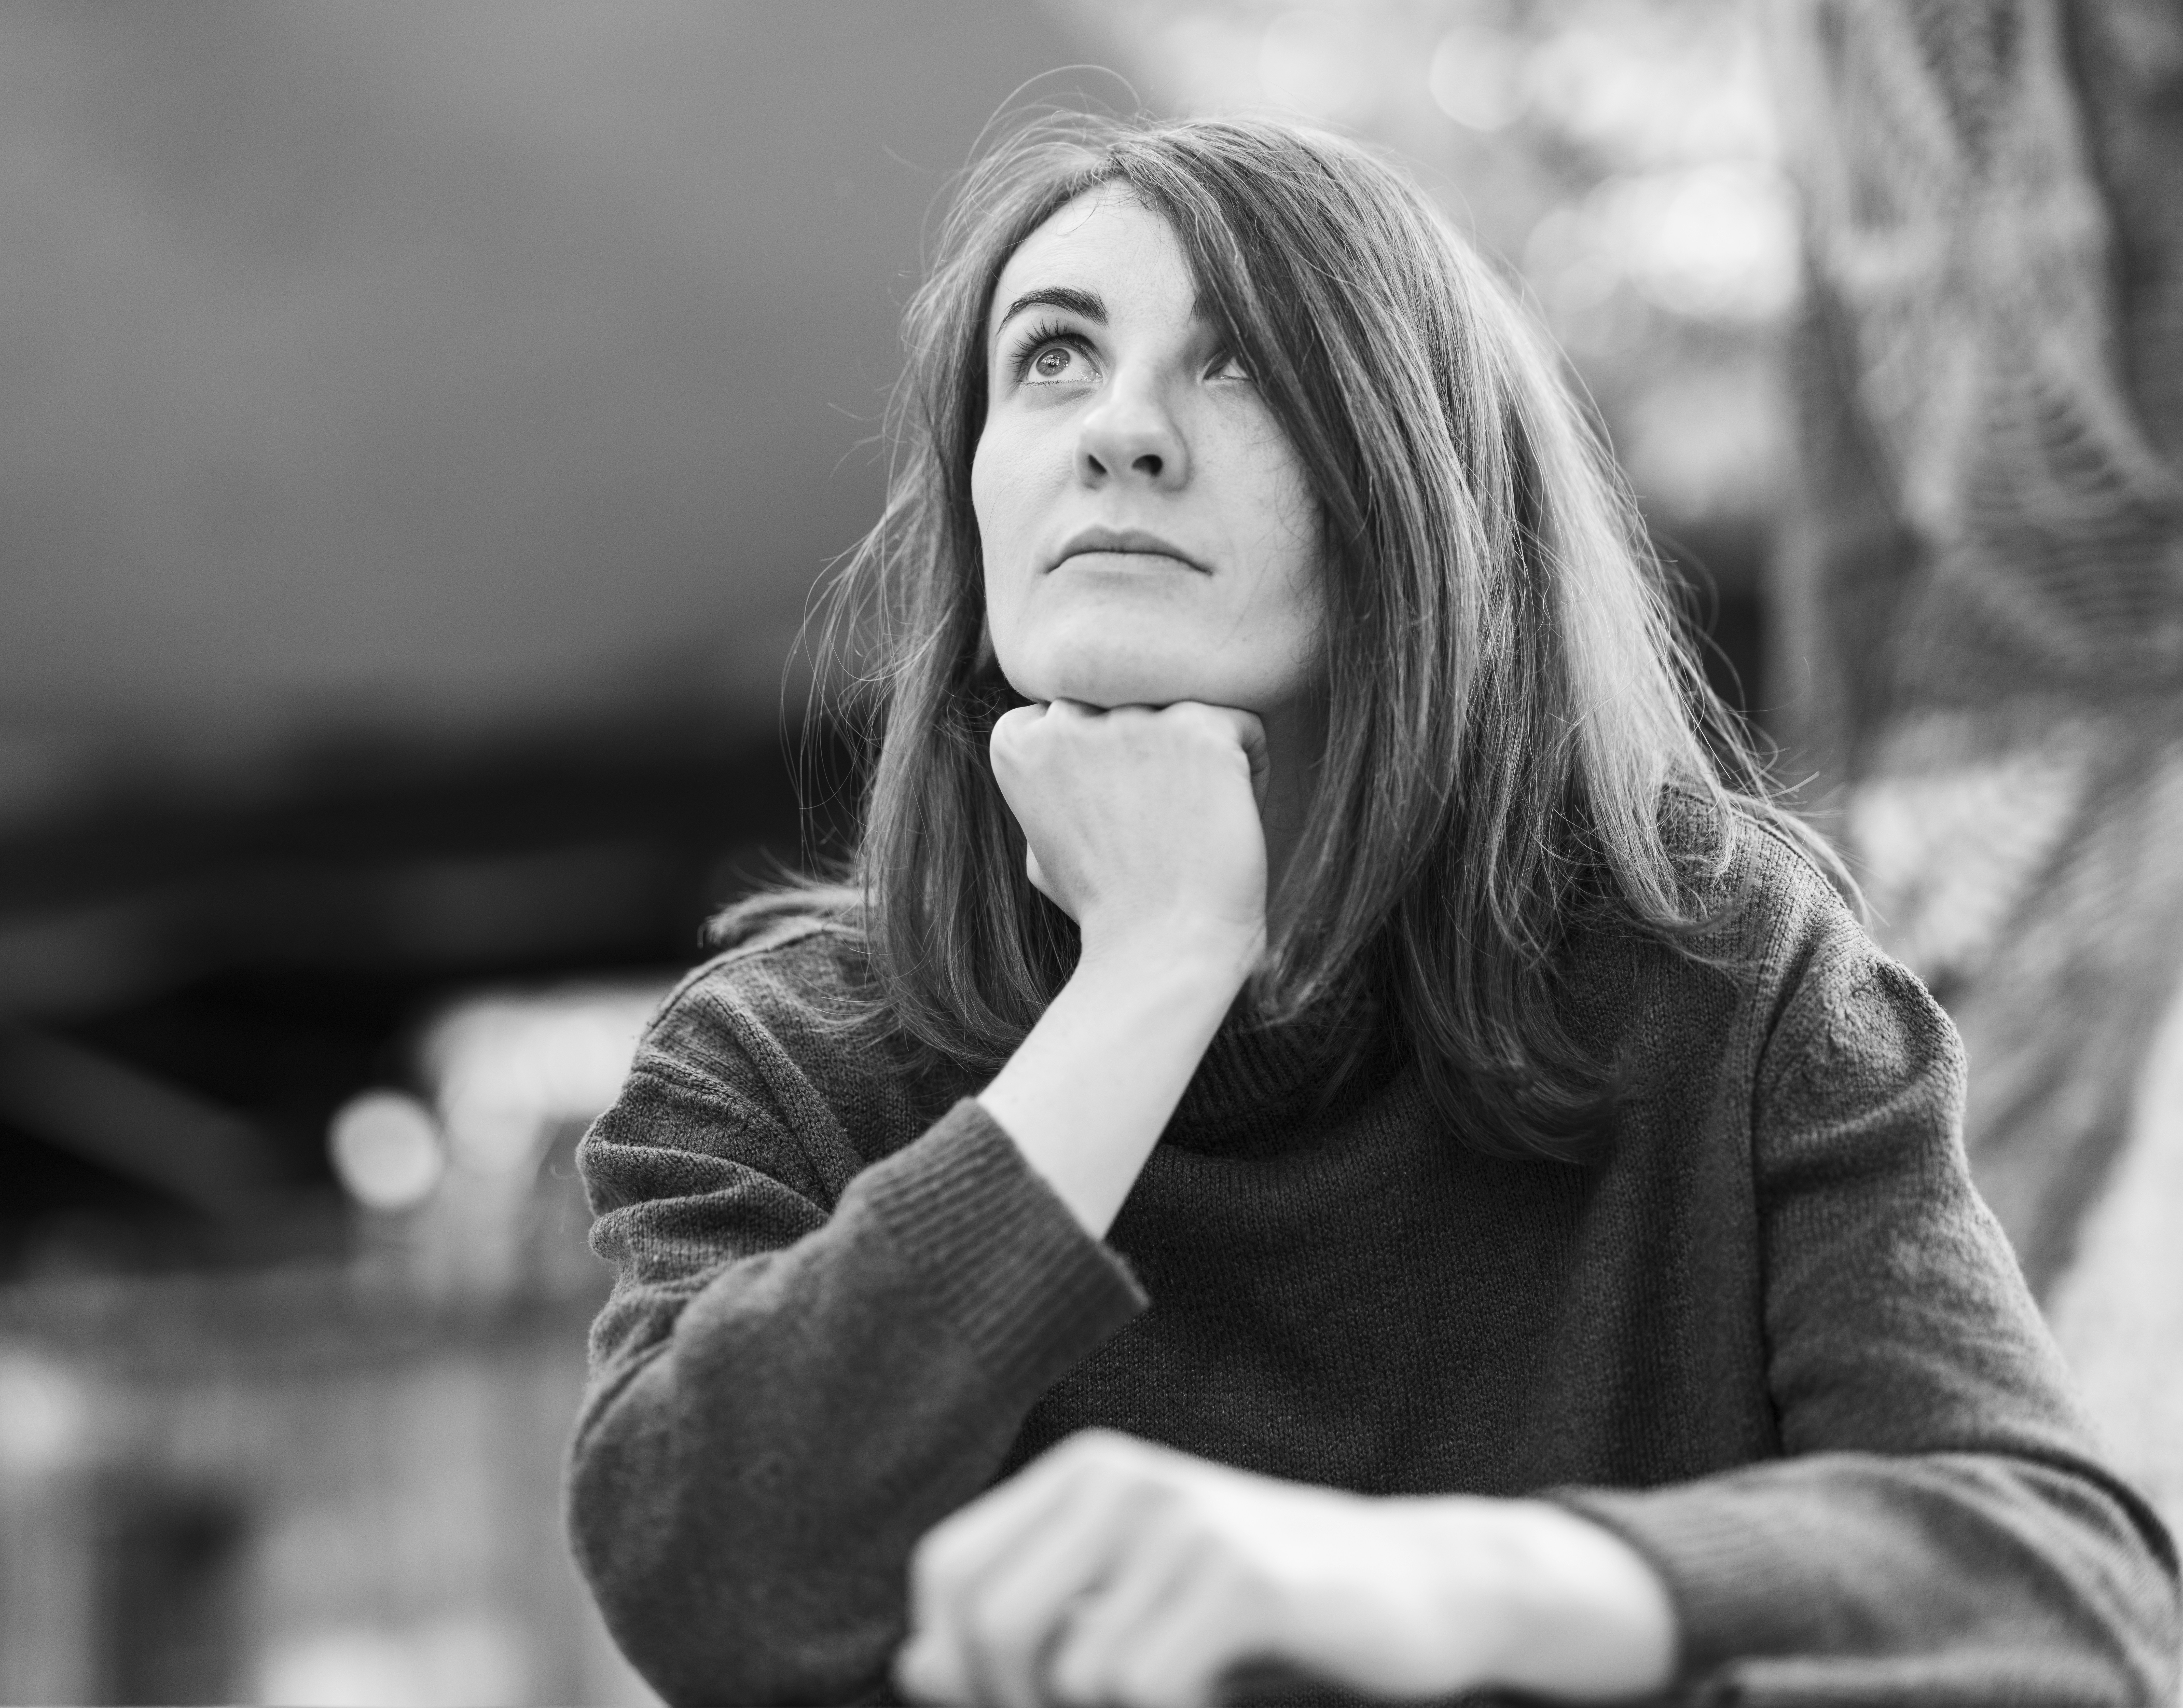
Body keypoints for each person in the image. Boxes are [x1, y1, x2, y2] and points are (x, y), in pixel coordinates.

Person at [565, 112, 2180, 1706]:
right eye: (1051, 356)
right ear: (977, 492)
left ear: (1416, 487)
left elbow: (2067, 1593)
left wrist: (1447, 1584)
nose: (1120, 429)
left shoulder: (1721, 975)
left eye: (1242, 361)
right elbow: (701, 1577)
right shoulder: (773, 1068)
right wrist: (1152, 974)